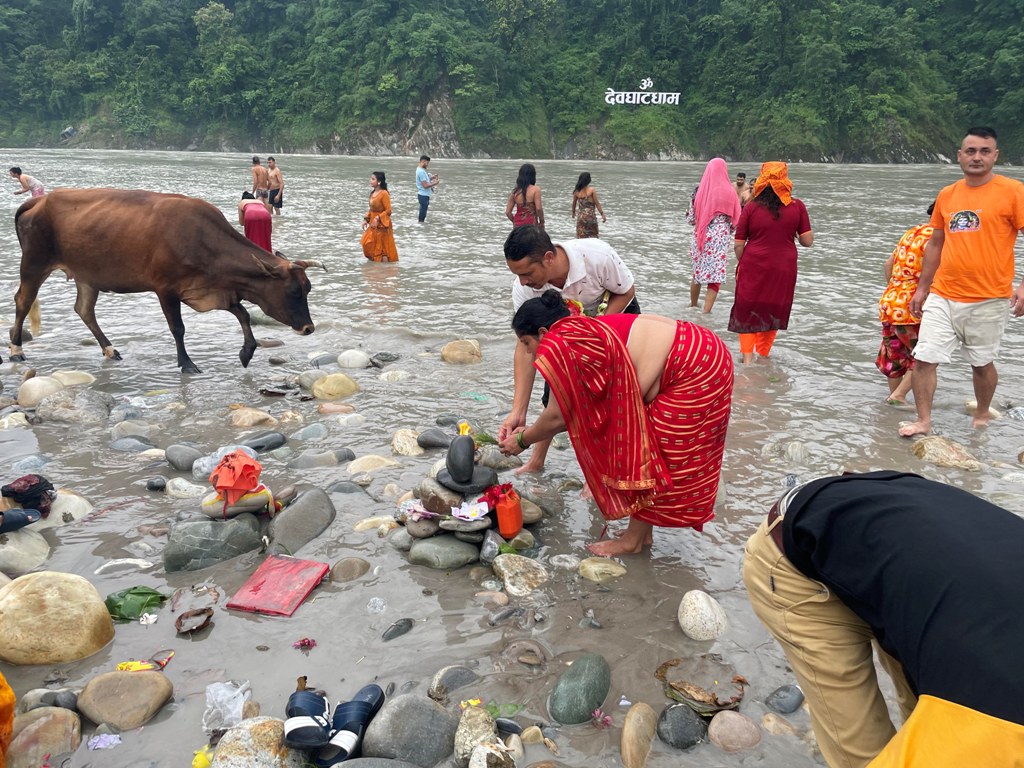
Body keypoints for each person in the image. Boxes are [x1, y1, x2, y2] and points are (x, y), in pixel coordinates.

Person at [744, 471, 1024, 767]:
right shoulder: (997, 715)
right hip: (797, 550)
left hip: (900, 535)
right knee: (865, 753)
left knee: (927, 713)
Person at [497, 290, 733, 556]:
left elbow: (558, 416)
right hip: (703, 349)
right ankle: (642, 534)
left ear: (542, 332)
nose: (528, 351)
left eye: (526, 342)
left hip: (693, 366)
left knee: (650, 451)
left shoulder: (564, 342)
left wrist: (521, 440)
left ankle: (631, 541)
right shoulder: (578, 328)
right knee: (647, 445)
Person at [898, 126, 1024, 437]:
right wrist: (923, 288)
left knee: (981, 363)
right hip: (944, 293)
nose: (977, 157)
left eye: (984, 151)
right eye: (970, 151)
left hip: (990, 297)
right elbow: (935, 245)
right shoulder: (948, 194)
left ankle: (981, 414)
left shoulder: (1013, 191)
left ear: (995, 156)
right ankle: (923, 422)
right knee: (924, 358)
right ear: (959, 156)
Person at [500, 225, 639, 474]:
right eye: (518, 275)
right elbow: (525, 345)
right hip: (560, 329)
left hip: (612, 316)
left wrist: (595, 331)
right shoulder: (524, 288)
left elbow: (626, 291)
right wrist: (517, 412)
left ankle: (606, 469)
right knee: (553, 396)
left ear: (548, 258)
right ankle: (536, 461)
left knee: (613, 397)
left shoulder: (597, 256)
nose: (523, 281)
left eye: (527, 273)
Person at [728, 162, 813, 363]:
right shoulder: (797, 206)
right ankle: (763, 355)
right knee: (773, 308)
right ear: (785, 180)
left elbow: (738, 244)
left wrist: (744, 263)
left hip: (753, 264)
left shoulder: (751, 207)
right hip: (784, 268)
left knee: (747, 308)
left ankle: (747, 360)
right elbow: (807, 241)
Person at [876, 204, 934, 405]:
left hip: (890, 302)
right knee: (925, 356)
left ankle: (896, 399)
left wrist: (896, 291)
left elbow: (888, 264)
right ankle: (898, 396)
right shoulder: (940, 238)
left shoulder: (913, 232)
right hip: (914, 307)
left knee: (894, 357)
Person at [686, 158, 741, 313]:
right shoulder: (730, 192)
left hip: (700, 236)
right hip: (719, 237)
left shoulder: (697, 192)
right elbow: (735, 221)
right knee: (715, 276)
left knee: (698, 272)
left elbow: (691, 219)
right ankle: (706, 313)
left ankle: (693, 305)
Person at [361, 171, 398, 263]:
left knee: (382, 249)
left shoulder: (384, 193)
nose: (370, 181)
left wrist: (378, 218)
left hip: (382, 225)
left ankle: (384, 270)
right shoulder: (372, 193)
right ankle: (375, 269)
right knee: (368, 245)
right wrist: (366, 219)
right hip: (373, 224)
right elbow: (371, 209)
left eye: (373, 179)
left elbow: (389, 210)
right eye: (371, 178)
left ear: (379, 182)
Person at [505, 163, 543, 229]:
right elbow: (538, 209)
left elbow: (508, 212)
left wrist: (514, 221)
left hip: (518, 226)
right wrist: (542, 222)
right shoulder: (536, 189)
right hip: (531, 225)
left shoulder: (515, 192)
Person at [571, 172, 606, 238]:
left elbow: (574, 204)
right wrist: (602, 214)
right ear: (588, 180)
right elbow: (597, 203)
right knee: (593, 237)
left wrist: (573, 213)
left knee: (581, 238)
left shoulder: (576, 192)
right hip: (591, 217)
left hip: (581, 218)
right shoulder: (592, 190)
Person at [415, 155, 439, 223]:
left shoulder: (420, 169)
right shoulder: (421, 172)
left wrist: (432, 177)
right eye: (427, 163)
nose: (427, 165)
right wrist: (435, 183)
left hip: (423, 195)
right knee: (422, 215)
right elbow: (425, 185)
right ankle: (421, 226)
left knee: (423, 212)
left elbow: (425, 180)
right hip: (423, 195)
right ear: (423, 161)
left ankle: (421, 226)